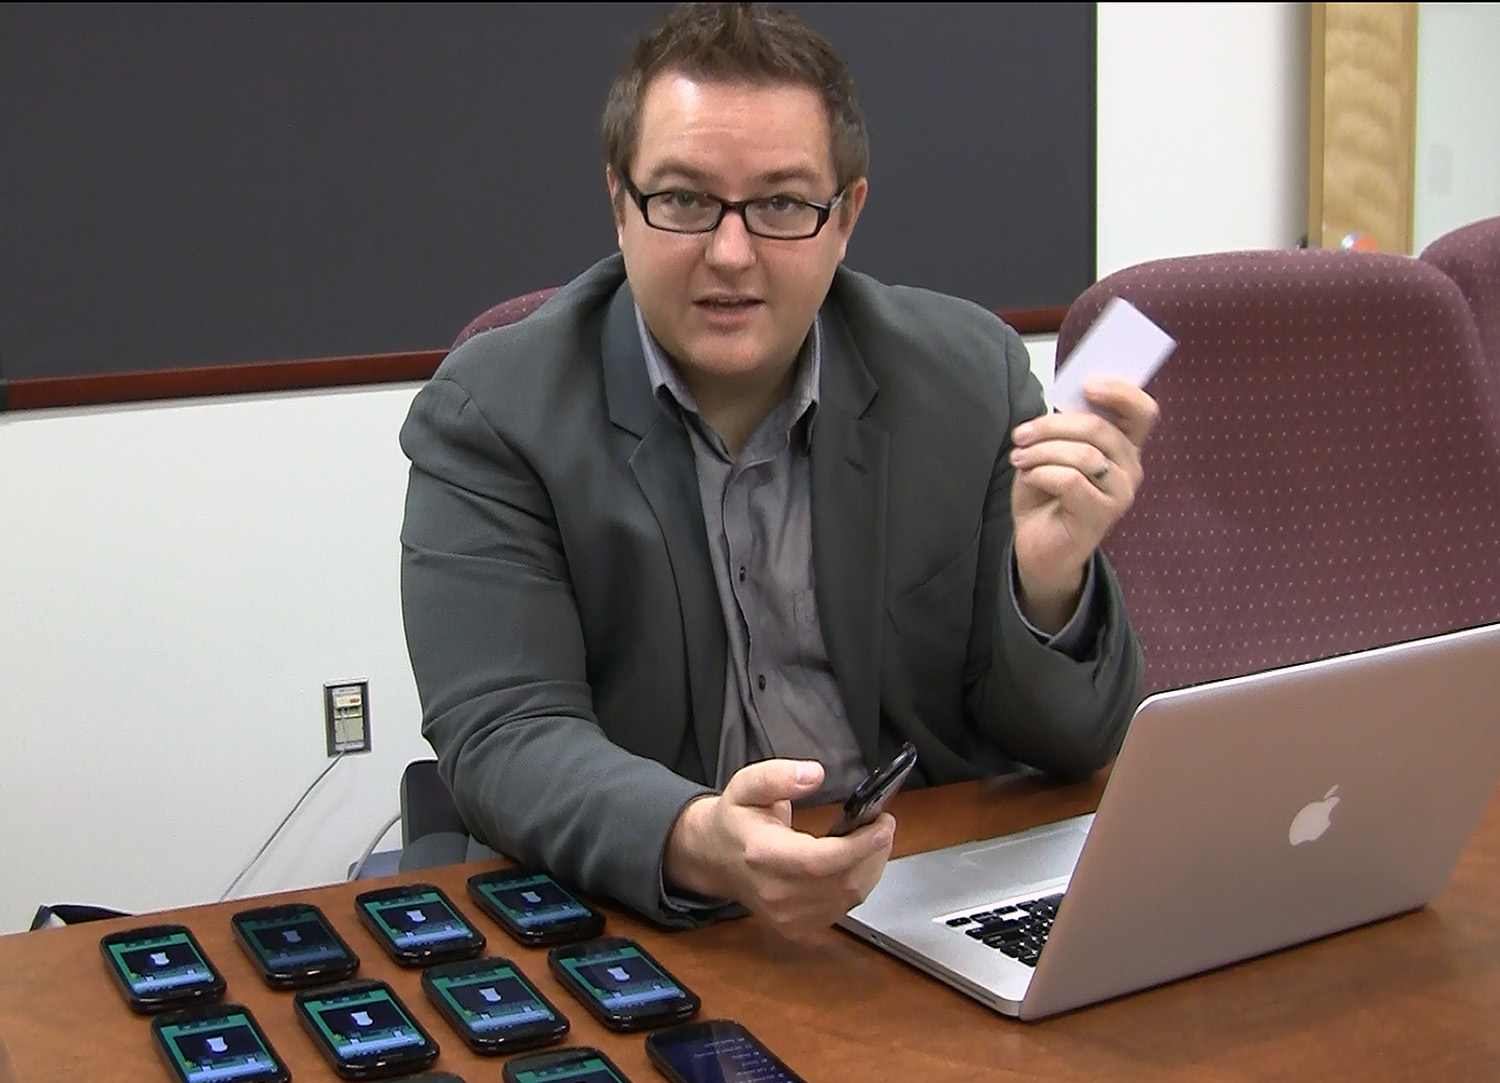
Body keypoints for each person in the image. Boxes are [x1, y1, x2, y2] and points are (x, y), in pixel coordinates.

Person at [398, 2, 1157, 942]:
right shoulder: (492, 414)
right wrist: (691, 836)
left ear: (847, 217)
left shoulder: (969, 377)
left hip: (912, 900)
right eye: (682, 199)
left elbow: (1076, 745)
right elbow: (505, 735)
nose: (730, 253)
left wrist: (1046, 585)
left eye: (783, 205)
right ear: (618, 204)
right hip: (641, 916)